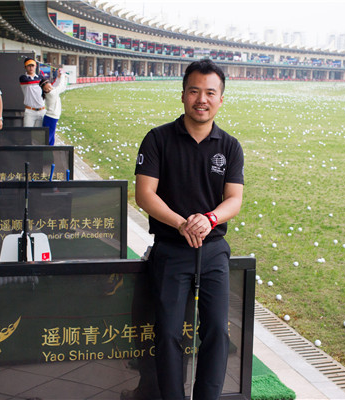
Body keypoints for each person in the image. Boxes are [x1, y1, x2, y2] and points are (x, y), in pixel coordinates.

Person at [134, 59, 244, 400]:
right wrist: (182, 223)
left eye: (211, 93)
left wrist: (209, 219)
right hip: (170, 249)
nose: (202, 99)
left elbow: (234, 200)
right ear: (182, 95)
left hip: (213, 251)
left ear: (221, 99)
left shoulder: (229, 146)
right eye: (195, 91)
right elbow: (144, 195)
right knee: (167, 332)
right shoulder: (158, 139)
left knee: (215, 332)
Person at [40, 69, 68, 145]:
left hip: (51, 118)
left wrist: (60, 77)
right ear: (44, 90)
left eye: (49, 87)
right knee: (48, 139)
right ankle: (44, 153)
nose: (49, 89)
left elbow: (59, 86)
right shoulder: (51, 94)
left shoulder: (52, 91)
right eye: (46, 89)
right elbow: (60, 86)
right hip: (50, 118)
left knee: (51, 138)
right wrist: (62, 75)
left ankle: (49, 152)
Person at [20, 58, 46, 127]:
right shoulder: (23, 78)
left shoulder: (40, 77)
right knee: (27, 134)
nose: (31, 68)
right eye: (29, 66)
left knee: (38, 135)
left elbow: (49, 87)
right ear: (25, 67)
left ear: (35, 66)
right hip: (30, 111)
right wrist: (42, 80)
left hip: (41, 111)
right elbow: (30, 82)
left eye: (32, 65)